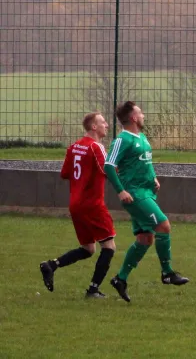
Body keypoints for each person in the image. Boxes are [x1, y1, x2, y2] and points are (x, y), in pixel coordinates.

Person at [104, 101, 188, 303]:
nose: (143, 116)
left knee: (145, 239)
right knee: (163, 225)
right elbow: (108, 165)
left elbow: (144, 163)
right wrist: (120, 190)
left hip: (146, 193)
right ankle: (167, 273)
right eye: (140, 113)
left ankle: (120, 279)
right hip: (134, 195)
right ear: (133, 118)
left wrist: (154, 179)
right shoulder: (122, 140)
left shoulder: (141, 138)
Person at [39, 112, 116, 299]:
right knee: (109, 246)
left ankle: (51, 265)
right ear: (93, 127)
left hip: (75, 204)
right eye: (103, 122)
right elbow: (109, 170)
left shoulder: (74, 147)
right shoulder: (96, 147)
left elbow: (65, 173)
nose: (107, 124)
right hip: (93, 204)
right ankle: (93, 289)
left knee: (88, 249)